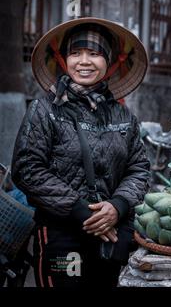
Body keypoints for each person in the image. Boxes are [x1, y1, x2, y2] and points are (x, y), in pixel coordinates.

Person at [11, 17, 150, 288]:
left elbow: (139, 168)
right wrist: (81, 211)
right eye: (75, 53)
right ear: (64, 60)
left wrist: (117, 206)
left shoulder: (124, 116)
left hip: (112, 236)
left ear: (108, 63)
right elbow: (27, 169)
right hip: (62, 236)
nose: (83, 61)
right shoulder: (45, 110)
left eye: (94, 54)